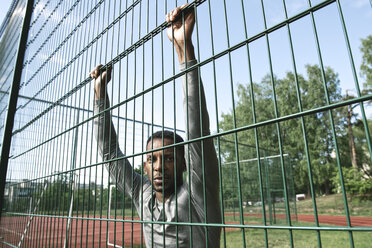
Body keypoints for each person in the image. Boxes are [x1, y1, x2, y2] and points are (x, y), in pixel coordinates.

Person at [91, 4, 221, 247]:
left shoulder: (197, 192)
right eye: (153, 159)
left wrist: (184, 48)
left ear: (185, 162)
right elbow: (109, 153)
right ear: (145, 165)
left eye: (169, 158)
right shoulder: (143, 193)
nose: (160, 167)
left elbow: (197, 128)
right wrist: (100, 94)